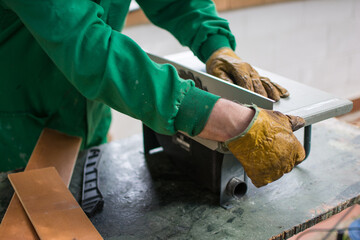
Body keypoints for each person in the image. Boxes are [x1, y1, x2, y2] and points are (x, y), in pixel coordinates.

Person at [0, 0, 305, 187]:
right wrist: (225, 119)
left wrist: (216, 45)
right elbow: (90, 48)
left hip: (87, 123)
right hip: (14, 137)